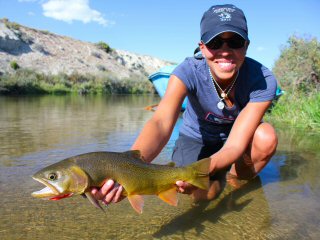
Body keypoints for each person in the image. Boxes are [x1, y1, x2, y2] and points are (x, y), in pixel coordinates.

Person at [91, 4, 278, 204]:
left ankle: (233, 177)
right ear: (202, 46)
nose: (225, 51)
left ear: (246, 45)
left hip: (234, 139)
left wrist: (200, 171)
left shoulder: (263, 80)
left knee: (265, 137)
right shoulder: (186, 71)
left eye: (235, 41)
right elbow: (161, 124)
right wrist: (127, 170)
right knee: (201, 195)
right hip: (196, 137)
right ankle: (215, 183)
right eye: (215, 42)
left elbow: (234, 145)